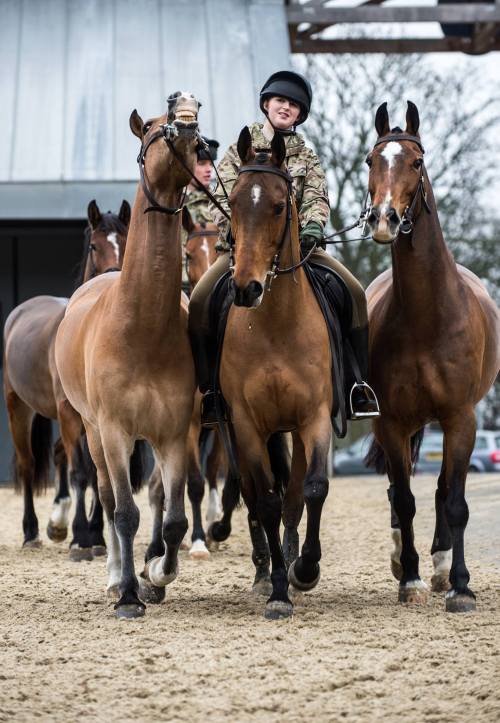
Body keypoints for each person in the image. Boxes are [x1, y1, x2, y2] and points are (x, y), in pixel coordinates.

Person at [189, 70, 379, 426]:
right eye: (281, 101)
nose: (286, 107)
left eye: (294, 105)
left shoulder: (307, 155)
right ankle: (211, 391)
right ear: (267, 104)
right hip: (242, 249)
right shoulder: (238, 150)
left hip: (298, 249)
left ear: (300, 114)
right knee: (200, 300)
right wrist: (232, 230)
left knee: (355, 293)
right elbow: (223, 197)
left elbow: (318, 195)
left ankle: (356, 385)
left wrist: (311, 227)